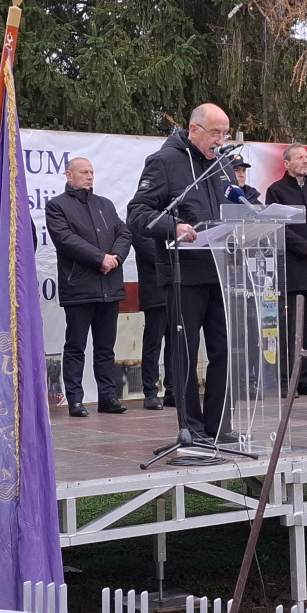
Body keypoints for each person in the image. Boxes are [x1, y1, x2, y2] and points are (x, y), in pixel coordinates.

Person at [127, 103, 233, 441]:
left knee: (224, 351)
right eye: (215, 133)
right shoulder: (164, 161)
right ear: (194, 129)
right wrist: (173, 226)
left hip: (221, 272)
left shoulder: (219, 164)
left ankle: (218, 426)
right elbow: (137, 213)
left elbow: (230, 210)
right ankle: (192, 428)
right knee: (185, 353)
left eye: (225, 134)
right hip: (183, 274)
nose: (221, 141)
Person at [46, 157, 132, 418]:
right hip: (79, 288)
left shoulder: (105, 204)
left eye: (92, 172)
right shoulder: (57, 206)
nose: (90, 176)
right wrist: (100, 258)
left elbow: (124, 233)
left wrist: (115, 258)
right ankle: (75, 400)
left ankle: (108, 397)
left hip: (109, 287)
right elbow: (65, 239)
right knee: (76, 347)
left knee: (105, 348)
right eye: (84, 172)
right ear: (69, 175)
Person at [266, 144, 307, 397]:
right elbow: (277, 226)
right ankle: (287, 380)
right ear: (286, 163)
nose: (305, 161)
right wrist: (305, 248)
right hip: (292, 269)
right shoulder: (276, 191)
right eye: (299, 158)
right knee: (290, 328)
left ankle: (306, 379)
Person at [131, 212, 175, 411]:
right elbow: (152, 252)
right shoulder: (142, 220)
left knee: (175, 344)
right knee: (153, 343)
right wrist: (177, 253)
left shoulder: (174, 215)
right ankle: (150, 392)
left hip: (177, 289)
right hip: (155, 291)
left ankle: (172, 390)